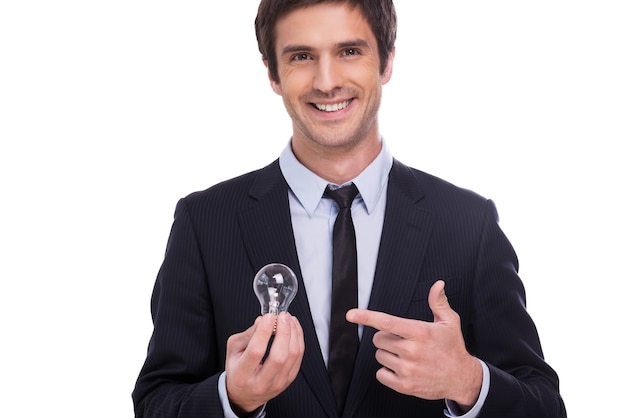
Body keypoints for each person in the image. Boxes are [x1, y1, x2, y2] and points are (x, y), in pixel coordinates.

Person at [132, 1, 567, 417]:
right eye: (302, 56)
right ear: (273, 73)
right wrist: (232, 398)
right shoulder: (206, 223)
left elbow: (544, 405)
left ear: (387, 61)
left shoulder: (468, 224)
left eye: (350, 51)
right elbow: (156, 401)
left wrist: (468, 382)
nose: (326, 81)